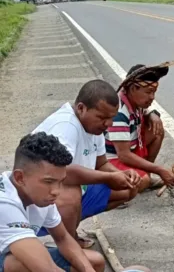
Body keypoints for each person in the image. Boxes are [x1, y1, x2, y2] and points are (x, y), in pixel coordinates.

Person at [33, 80, 141, 249]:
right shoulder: (66, 126)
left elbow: (102, 163)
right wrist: (111, 176)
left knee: (128, 188)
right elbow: (60, 172)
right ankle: (66, 244)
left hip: (69, 191)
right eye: (102, 118)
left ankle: (67, 227)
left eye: (111, 118)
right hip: (36, 200)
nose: (109, 124)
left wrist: (123, 175)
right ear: (81, 108)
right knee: (71, 193)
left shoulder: (94, 127)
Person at [0, 132, 105, 272]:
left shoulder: (41, 195)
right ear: (20, 178)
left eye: (60, 182)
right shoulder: (4, 203)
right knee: (17, 265)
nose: (56, 191)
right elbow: (47, 269)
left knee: (93, 262)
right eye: (49, 182)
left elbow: (62, 238)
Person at [104, 62, 174, 193]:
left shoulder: (134, 100)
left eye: (154, 92)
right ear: (133, 89)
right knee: (142, 181)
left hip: (129, 149)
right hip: (112, 158)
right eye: (149, 92)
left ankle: (145, 174)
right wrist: (159, 170)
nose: (152, 97)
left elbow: (144, 112)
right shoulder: (119, 113)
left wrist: (153, 114)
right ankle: (114, 192)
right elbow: (124, 155)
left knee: (157, 130)